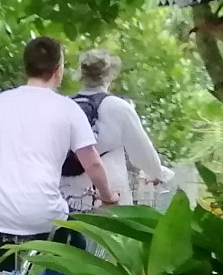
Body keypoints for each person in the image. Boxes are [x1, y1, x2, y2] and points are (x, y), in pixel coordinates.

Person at [0, 35, 117, 275]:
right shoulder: (67, 108)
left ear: (26, 67)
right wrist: (108, 197)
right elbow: (92, 162)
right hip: (40, 212)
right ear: (58, 70)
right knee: (74, 245)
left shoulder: (0, 102)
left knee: (4, 274)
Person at [59, 49, 172, 215]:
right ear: (109, 75)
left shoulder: (64, 105)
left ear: (81, 74)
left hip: (64, 195)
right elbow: (141, 153)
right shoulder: (119, 107)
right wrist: (159, 173)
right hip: (107, 196)